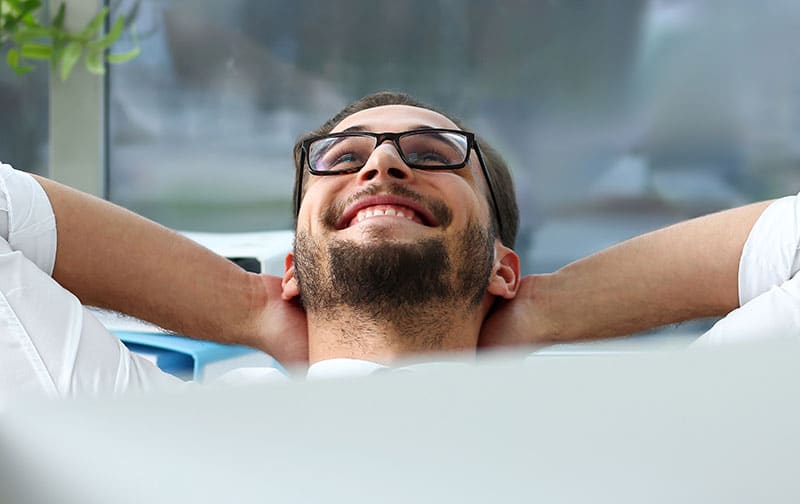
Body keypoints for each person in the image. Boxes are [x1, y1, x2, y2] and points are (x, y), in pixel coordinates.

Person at [0, 91, 798, 404]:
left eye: (433, 153)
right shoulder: (145, 417)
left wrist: (548, 309)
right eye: (342, 160)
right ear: (291, 272)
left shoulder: (641, 421)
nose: (384, 163)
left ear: (504, 268)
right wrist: (244, 308)